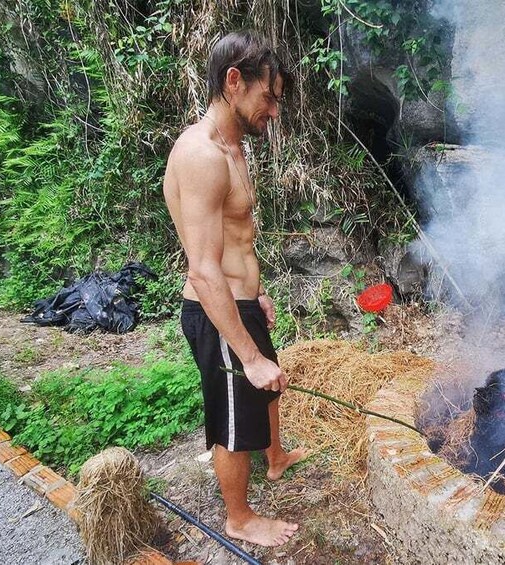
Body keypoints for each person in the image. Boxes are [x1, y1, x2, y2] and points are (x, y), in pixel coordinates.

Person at [163, 31, 307, 548]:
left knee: (272, 383)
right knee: (234, 411)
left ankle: (275, 458)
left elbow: (236, 240)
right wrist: (246, 353)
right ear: (233, 82)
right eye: (268, 97)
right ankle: (239, 517)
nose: (273, 111)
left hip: (242, 300)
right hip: (214, 306)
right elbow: (203, 269)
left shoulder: (233, 146)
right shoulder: (201, 155)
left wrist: (259, 291)